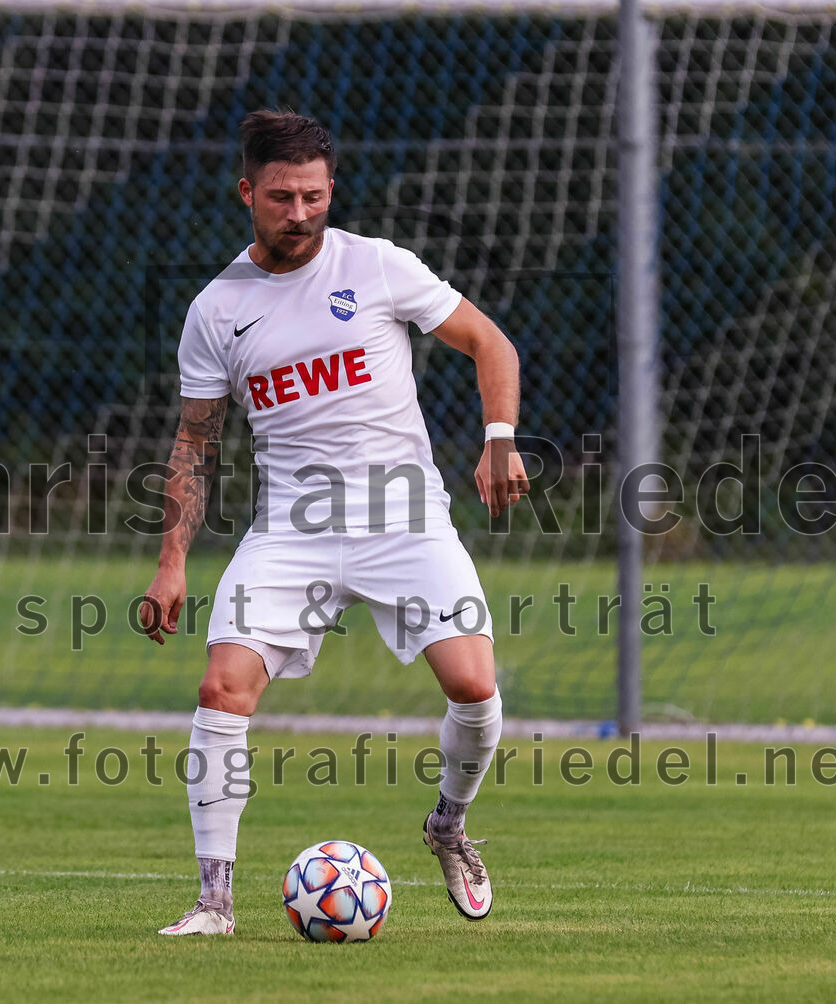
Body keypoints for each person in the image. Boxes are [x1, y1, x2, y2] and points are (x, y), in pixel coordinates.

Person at [141, 110, 529, 936]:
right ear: (248, 192)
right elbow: (194, 443)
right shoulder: (217, 309)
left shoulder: (378, 266)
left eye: (314, 195)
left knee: (475, 688)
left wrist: (499, 439)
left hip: (405, 516)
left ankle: (448, 826)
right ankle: (214, 903)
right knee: (221, 688)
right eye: (281, 196)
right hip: (291, 527)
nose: (300, 212)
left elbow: (490, 343)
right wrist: (172, 561)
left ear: (330, 190)